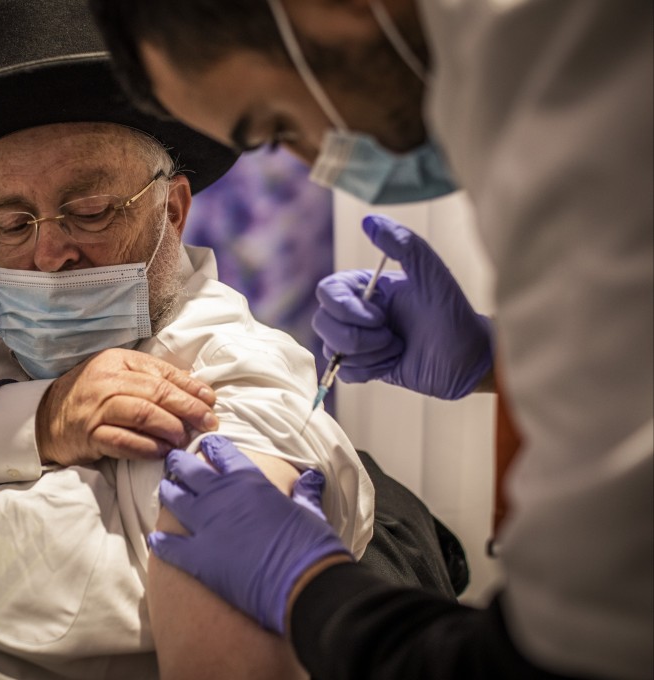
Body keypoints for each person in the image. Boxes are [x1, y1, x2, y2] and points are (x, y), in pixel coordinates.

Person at [0, 1, 417, 677]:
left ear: (172, 210)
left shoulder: (226, 371)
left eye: (90, 212)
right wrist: (43, 417)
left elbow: (234, 597)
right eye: (13, 223)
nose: (47, 254)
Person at [89, 1, 653, 679]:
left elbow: (571, 661)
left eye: (277, 126)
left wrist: (305, 583)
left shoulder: (568, 73)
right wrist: (489, 355)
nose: (314, 162)